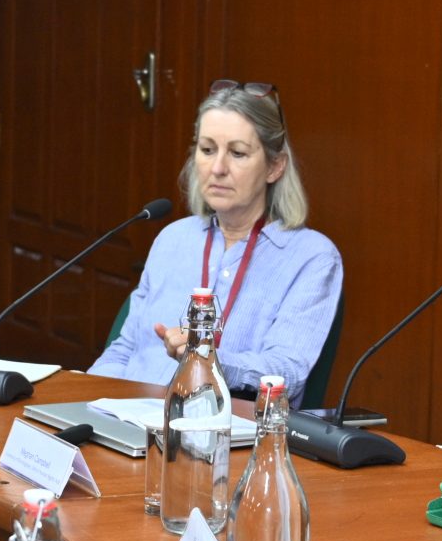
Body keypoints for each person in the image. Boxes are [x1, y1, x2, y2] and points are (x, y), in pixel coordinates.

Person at [88, 81, 342, 401]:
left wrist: (206, 359)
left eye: (237, 153)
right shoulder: (172, 239)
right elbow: (125, 350)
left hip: (220, 426)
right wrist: (83, 400)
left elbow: (286, 372)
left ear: (275, 167)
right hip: (127, 416)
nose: (218, 168)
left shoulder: (312, 257)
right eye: (207, 150)